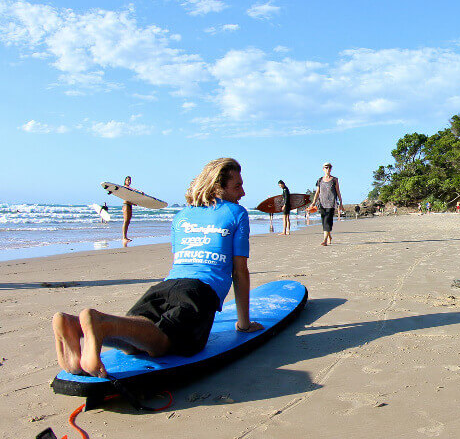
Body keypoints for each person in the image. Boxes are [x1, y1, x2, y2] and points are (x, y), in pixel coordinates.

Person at [52, 158, 264, 378]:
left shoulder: (181, 216)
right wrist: (244, 324)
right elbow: (240, 272)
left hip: (164, 287)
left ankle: (75, 326)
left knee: (136, 340)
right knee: (165, 342)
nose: (243, 193)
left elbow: (178, 262)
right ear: (217, 188)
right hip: (200, 292)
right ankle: (99, 323)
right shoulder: (236, 214)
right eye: (237, 186)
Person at [309, 163, 342, 246]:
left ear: (331, 169)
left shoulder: (334, 179)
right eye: (326, 167)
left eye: (329, 167)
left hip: (331, 203)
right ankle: (329, 236)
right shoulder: (320, 180)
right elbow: (317, 192)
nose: (328, 169)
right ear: (323, 169)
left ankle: (324, 240)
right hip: (322, 203)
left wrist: (341, 202)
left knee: (327, 221)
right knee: (324, 222)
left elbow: (338, 191)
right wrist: (313, 202)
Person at [121, 176, 134, 247]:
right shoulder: (124, 187)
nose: (129, 181)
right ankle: (124, 237)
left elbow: (129, 197)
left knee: (128, 221)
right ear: (125, 181)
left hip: (129, 205)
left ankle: (125, 236)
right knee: (125, 221)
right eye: (127, 180)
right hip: (125, 205)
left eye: (130, 180)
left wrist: (133, 202)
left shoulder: (129, 189)